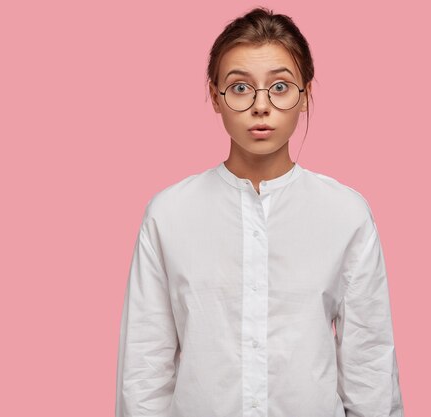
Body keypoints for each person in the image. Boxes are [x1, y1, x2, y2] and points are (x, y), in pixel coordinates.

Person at [115, 6, 404, 417]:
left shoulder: (346, 215)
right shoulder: (169, 215)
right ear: (214, 97)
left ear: (306, 96)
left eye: (281, 87)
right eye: (239, 88)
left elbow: (370, 363)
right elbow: (144, 367)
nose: (261, 107)